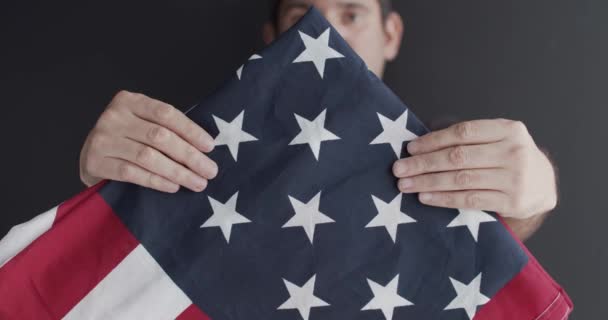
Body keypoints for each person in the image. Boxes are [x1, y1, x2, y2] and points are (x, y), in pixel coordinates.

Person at [78, 0, 558, 242]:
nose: (328, 41)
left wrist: (536, 185)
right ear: (272, 38)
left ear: (391, 34)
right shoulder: (201, 148)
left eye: (351, 14)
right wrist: (108, 186)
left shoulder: (434, 148)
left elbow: (506, 221)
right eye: (304, 19)